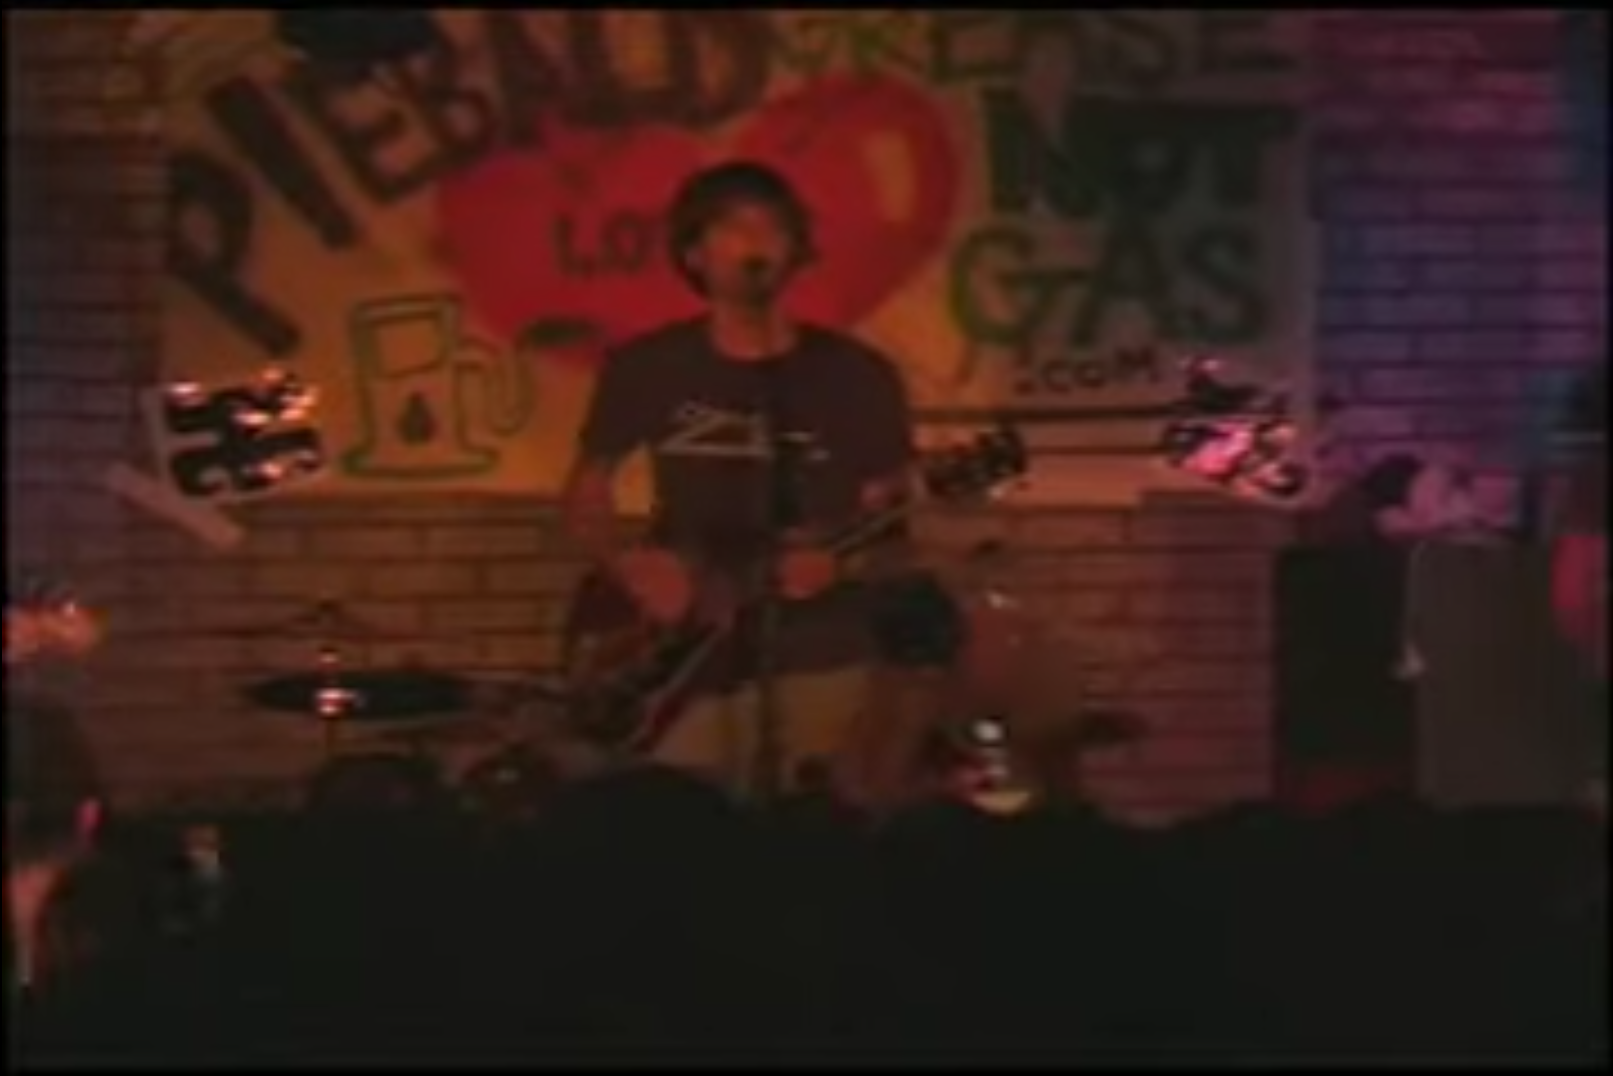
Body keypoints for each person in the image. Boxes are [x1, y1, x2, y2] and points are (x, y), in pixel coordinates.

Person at [560, 161, 917, 803]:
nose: (754, 243)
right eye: (732, 228)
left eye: (772, 228)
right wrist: (629, 566)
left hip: (820, 650)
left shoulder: (857, 375)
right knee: (687, 818)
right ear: (694, 254)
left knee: (812, 821)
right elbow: (587, 493)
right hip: (685, 648)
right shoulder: (648, 367)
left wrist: (844, 561)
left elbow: (892, 525)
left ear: (797, 250)